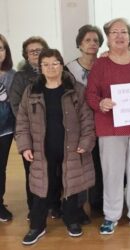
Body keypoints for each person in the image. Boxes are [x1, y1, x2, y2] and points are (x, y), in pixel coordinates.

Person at [16, 49, 95, 245]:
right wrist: (25, 146)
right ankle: (37, 225)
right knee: (42, 186)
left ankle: (72, 220)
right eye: (46, 64)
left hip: (71, 148)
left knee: (71, 184)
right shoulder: (31, 90)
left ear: (61, 64)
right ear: (40, 67)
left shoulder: (76, 89)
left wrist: (86, 143)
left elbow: (87, 120)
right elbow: (22, 121)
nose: (51, 68)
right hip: (41, 150)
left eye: (55, 63)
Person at [85, 18, 130, 235]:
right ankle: (111, 215)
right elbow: (91, 94)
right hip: (110, 126)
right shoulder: (100, 64)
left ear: (129, 35)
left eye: (123, 31)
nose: (119, 36)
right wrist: (100, 103)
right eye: (114, 32)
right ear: (108, 37)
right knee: (112, 173)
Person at [65, 24, 105, 224]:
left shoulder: (105, 64)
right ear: (80, 43)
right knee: (81, 165)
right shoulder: (69, 68)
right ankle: (80, 206)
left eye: (96, 40)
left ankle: (99, 202)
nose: (92, 43)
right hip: (80, 124)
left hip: (104, 120)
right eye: (88, 40)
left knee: (100, 163)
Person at [9, 36, 50, 219]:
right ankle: (34, 208)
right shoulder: (20, 77)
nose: (36, 54)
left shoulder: (55, 71)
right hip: (30, 134)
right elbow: (16, 106)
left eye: (39, 50)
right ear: (26, 55)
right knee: (33, 172)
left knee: (53, 170)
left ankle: (53, 205)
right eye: (32, 51)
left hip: (54, 131)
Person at [0, 34, 16, 222]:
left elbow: (13, 103)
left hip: (5, 130)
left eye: (1, 48)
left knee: (0, 167)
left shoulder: (12, 75)